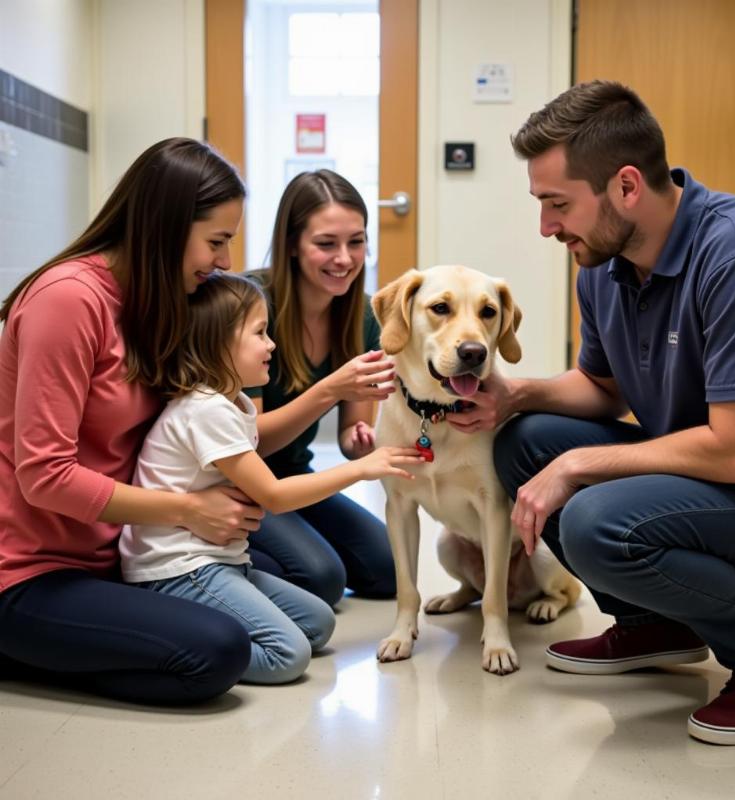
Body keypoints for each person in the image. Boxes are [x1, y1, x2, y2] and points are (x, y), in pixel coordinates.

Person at [449, 80, 735, 746]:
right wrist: (518, 393)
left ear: (628, 187)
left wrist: (581, 465)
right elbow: (602, 387)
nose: (547, 227)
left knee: (593, 518)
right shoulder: (602, 266)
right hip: (716, 483)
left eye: (557, 204)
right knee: (524, 440)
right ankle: (657, 622)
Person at [0, 137, 267, 705]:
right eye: (216, 242)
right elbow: (43, 476)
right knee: (219, 651)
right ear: (166, 227)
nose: (223, 262)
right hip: (27, 571)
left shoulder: (153, 297)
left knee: (303, 579)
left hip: (115, 548)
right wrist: (190, 510)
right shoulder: (67, 301)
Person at [119, 272, 422, 683]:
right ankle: (180, 642)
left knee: (318, 623)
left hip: (225, 561)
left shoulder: (233, 402)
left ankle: (211, 618)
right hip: (181, 570)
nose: (271, 345)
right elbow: (274, 495)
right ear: (217, 343)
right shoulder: (205, 410)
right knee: (288, 655)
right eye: (260, 333)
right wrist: (362, 468)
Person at [245, 170, 399, 607]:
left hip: (295, 479)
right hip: (237, 482)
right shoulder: (248, 306)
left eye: (357, 241)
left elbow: (353, 439)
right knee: (322, 579)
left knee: (389, 568)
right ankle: (226, 563)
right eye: (326, 244)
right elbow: (250, 440)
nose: (345, 259)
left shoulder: (360, 319)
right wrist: (329, 389)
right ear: (292, 244)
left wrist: (361, 441)